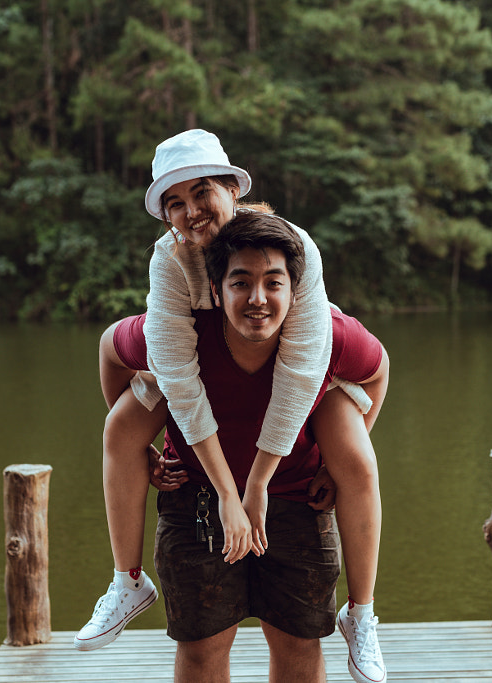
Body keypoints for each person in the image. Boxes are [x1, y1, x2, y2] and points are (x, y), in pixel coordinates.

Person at [75, 130, 386, 683]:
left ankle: (362, 613)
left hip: (292, 444)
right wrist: (156, 451)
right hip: (197, 457)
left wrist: (287, 476)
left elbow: (309, 376)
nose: (192, 212)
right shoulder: (169, 266)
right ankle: (126, 579)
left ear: (231, 190)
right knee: (125, 418)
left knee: (352, 445)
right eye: (176, 203)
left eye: (202, 193)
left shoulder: (294, 254)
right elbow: (150, 366)